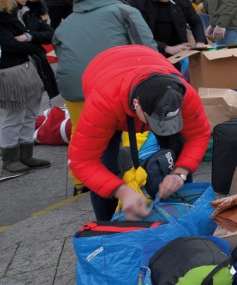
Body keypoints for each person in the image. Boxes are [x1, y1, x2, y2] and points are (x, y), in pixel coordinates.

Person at [68, 45, 210, 220]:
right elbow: (82, 161)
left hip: (147, 61)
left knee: (178, 151)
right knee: (106, 167)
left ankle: (183, 214)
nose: (161, 126)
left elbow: (198, 134)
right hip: (103, 74)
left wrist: (181, 172)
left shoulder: (183, 93)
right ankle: (108, 228)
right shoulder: (102, 103)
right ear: (137, 104)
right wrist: (121, 191)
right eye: (154, 121)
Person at [54, 0, 156, 191]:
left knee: (81, 132)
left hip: (74, 85)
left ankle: (81, 180)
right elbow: (146, 47)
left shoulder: (69, 19)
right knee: (134, 128)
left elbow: (60, 51)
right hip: (113, 84)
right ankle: (134, 177)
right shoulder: (124, 11)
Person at [0, 0, 56, 174]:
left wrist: (29, 37)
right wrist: (36, 42)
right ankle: (10, 157)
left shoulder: (32, 9)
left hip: (34, 66)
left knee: (31, 113)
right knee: (15, 115)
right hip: (12, 70)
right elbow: (8, 46)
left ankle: (26, 154)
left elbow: (50, 34)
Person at [127, 0, 206, 56]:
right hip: (150, 52)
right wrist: (165, 48)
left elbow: (195, 22)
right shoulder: (136, 3)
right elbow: (137, 33)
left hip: (180, 50)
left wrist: (200, 41)